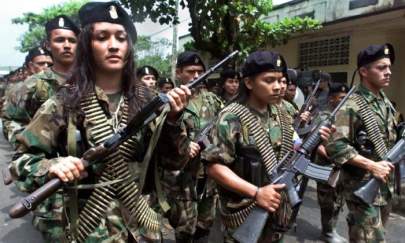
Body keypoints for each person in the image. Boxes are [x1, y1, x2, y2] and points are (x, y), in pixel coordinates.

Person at [9, 2, 191, 242]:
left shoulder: (150, 102)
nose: (113, 45)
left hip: (142, 226)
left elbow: (173, 162)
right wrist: (53, 165)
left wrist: (174, 122)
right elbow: (21, 161)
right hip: (89, 229)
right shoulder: (65, 102)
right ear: (87, 46)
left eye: (121, 38)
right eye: (102, 38)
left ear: (129, 47)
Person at [202, 50, 333, 242]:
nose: (278, 86)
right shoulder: (231, 117)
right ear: (248, 83)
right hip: (244, 210)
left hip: (276, 210)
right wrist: (256, 192)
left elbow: (291, 151)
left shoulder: (281, 113)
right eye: (269, 80)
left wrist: (314, 141)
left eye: (280, 80)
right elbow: (214, 167)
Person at [326, 43, 400, 242]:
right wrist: (371, 165)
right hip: (362, 187)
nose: (388, 72)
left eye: (389, 67)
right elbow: (336, 145)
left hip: (384, 187)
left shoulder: (385, 102)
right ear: (364, 72)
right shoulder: (351, 104)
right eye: (381, 67)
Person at [160, 51, 223, 242]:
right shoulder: (169, 102)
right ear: (178, 73)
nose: (196, 76)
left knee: (205, 225)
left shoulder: (213, 100)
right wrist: (186, 145)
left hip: (208, 175)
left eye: (200, 71)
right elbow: (160, 143)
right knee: (184, 228)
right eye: (190, 71)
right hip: (182, 179)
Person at [2, 15, 79, 147]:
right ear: (48, 45)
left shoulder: (89, 80)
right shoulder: (32, 84)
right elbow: (11, 120)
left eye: (72, 41)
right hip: (50, 161)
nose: (67, 45)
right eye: (60, 40)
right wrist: (27, 146)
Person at [315, 82, 349, 243]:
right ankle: (327, 232)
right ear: (331, 99)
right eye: (341, 97)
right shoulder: (323, 117)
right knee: (327, 201)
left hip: (340, 167)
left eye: (346, 97)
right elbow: (317, 145)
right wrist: (332, 157)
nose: (344, 100)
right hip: (324, 166)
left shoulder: (345, 116)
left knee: (338, 201)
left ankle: (331, 230)